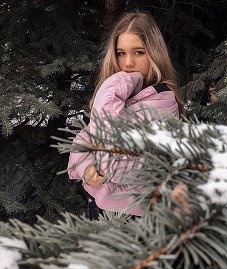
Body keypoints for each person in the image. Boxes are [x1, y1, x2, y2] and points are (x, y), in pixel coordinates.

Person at [67, 11, 183, 217]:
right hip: (101, 209)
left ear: (154, 53)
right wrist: (87, 169)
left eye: (138, 52)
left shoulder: (162, 101)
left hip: (134, 219)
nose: (128, 63)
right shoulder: (125, 97)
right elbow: (84, 139)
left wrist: (116, 84)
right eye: (121, 53)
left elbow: (117, 159)